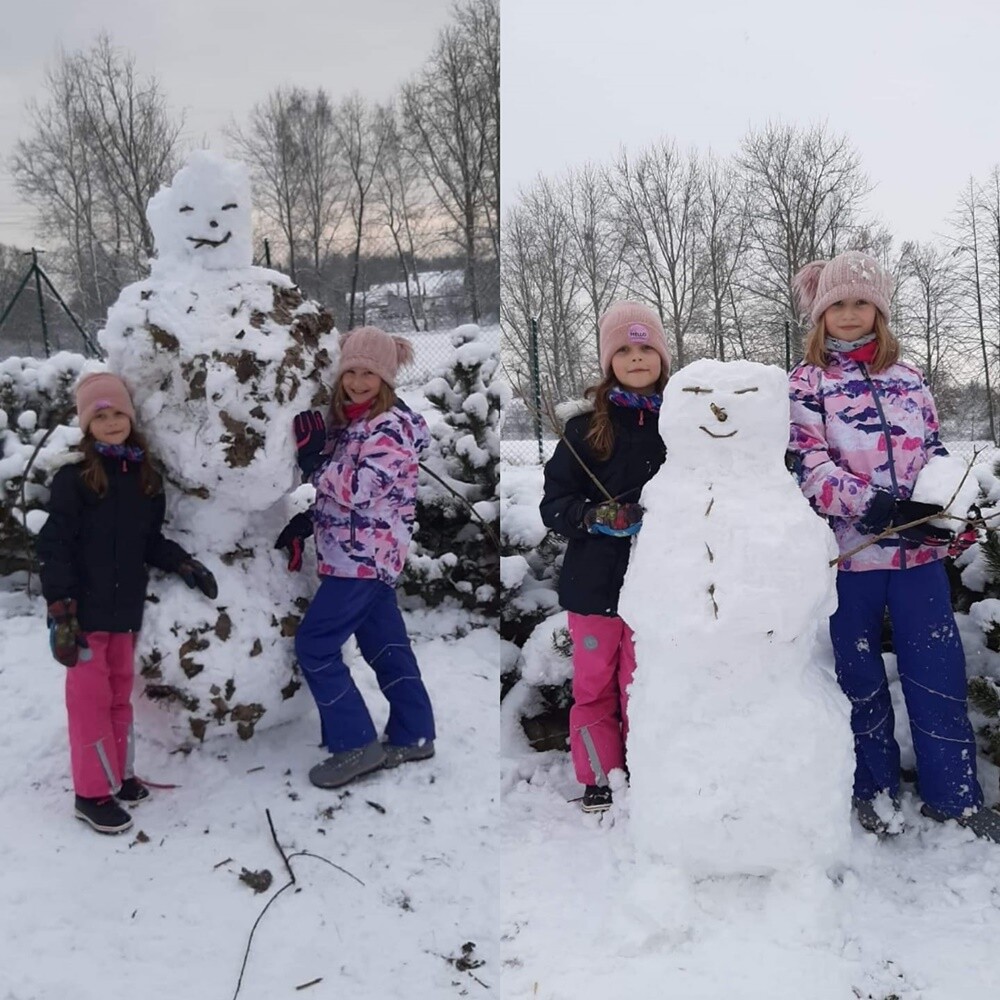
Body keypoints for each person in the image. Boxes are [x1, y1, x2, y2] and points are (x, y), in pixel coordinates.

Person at [788, 250, 1000, 842]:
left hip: (920, 560)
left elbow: (932, 448)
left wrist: (946, 503)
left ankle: (953, 796)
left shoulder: (909, 378)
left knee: (937, 669)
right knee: (857, 675)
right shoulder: (806, 383)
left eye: (862, 303)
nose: (850, 314)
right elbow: (808, 466)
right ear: (821, 314)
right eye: (838, 305)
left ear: (879, 313)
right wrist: (878, 507)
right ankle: (872, 789)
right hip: (851, 558)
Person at [36, 372, 218, 835]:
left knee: (119, 697)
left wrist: (183, 563)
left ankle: (118, 776)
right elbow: (54, 545)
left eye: (118, 413)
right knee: (89, 704)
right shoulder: (73, 479)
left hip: (124, 613)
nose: (112, 422)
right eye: (101, 415)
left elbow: (148, 542)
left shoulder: (142, 476)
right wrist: (60, 608)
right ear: (86, 424)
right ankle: (90, 794)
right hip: (83, 614)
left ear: (130, 417)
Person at [288, 327, 436, 790]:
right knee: (385, 647)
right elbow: (341, 489)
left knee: (314, 644)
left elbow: (360, 489)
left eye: (367, 373)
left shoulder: (390, 426)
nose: (356, 381)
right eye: (349, 371)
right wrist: (308, 519)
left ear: (386, 378)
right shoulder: (352, 423)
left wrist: (316, 465)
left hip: (363, 560)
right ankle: (414, 734)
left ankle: (354, 744)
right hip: (361, 556)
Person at [539, 301, 669, 813]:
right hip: (594, 587)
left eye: (646, 349)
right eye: (624, 350)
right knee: (594, 686)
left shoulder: (683, 424)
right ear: (608, 360)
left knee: (643, 684)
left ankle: (644, 767)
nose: (637, 359)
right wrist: (595, 516)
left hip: (655, 586)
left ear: (661, 356)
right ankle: (598, 776)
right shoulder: (584, 430)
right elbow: (554, 504)